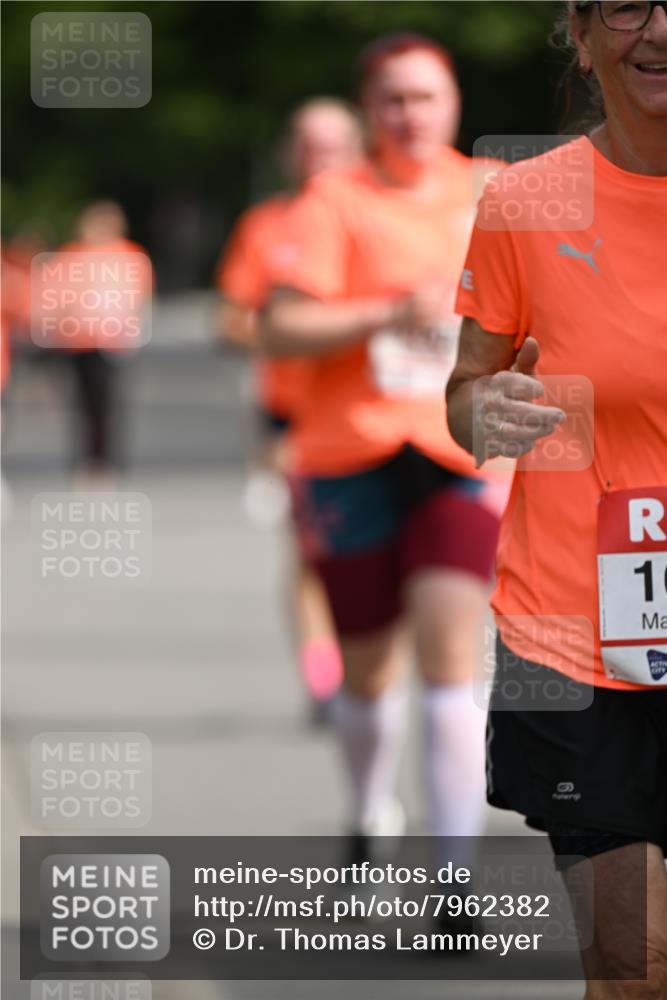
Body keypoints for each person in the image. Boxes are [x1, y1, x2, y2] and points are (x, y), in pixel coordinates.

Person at [447, 1, 667, 994]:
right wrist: (483, 411)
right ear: (578, 34)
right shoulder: (523, 203)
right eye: (626, 4)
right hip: (577, 637)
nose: (658, 28)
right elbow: (465, 389)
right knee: (633, 961)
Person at [263, 33, 509, 890]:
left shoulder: (494, 193)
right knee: (369, 671)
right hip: (350, 449)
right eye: (394, 99)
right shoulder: (333, 199)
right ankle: (369, 809)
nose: (411, 114)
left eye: (427, 97)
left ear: (454, 106)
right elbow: (276, 327)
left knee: (450, 650)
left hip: (458, 450)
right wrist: (383, 314)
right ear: (369, 109)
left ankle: (453, 882)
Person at [216, 99, 363, 719]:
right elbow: (230, 318)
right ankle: (325, 679)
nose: (317, 155)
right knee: (311, 550)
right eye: (306, 142)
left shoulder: (383, 217)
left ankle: (372, 678)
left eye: (331, 143)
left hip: (378, 412)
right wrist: (291, 330)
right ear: (288, 151)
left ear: (357, 147)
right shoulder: (266, 224)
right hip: (294, 414)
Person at [43, 201, 153, 483]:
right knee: (82, 402)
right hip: (78, 339)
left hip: (113, 341)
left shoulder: (128, 255)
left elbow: (138, 294)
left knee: (108, 402)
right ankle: (86, 459)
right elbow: (55, 294)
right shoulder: (71, 256)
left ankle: (106, 460)